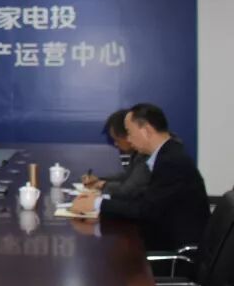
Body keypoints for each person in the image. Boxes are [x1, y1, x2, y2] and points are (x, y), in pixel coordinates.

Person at [71, 103, 209, 250]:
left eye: (130, 132)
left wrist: (97, 204)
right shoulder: (167, 154)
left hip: (174, 247)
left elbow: (145, 210)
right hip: (163, 234)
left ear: (146, 131)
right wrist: (99, 201)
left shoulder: (171, 161)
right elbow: (144, 199)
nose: (129, 139)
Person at [80, 109, 152, 197]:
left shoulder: (147, 154)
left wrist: (102, 185)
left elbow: (129, 189)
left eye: (117, 140)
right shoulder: (137, 153)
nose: (115, 144)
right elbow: (128, 176)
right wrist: (99, 180)